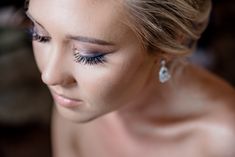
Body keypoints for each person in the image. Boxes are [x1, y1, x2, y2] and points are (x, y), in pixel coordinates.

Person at [25, 0, 235, 156]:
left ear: (169, 40)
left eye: (90, 55)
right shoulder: (75, 103)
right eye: (40, 34)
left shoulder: (225, 139)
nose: (49, 76)